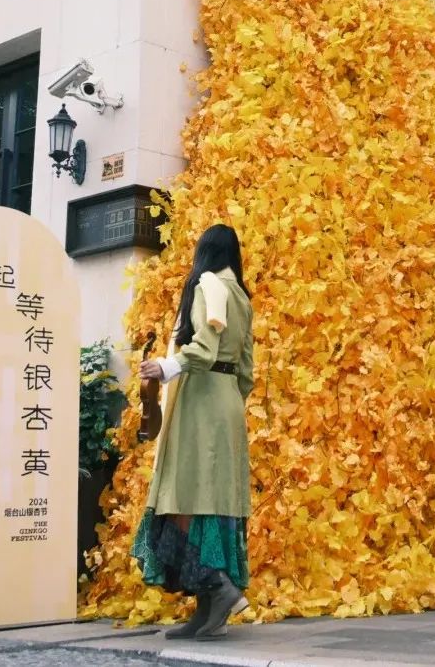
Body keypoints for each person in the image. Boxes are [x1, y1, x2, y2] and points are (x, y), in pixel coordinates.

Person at [132, 224, 255, 640]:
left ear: (204, 253)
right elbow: (247, 371)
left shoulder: (208, 286)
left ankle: (219, 589)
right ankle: (208, 612)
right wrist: (229, 399)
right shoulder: (241, 296)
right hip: (226, 402)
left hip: (201, 399)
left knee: (183, 496)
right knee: (212, 500)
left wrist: (166, 367)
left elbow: (203, 347)